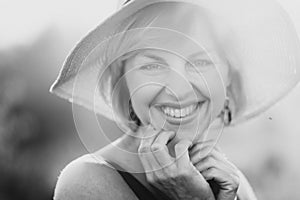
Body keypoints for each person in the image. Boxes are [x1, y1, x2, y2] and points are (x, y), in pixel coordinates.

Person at [50, 0, 300, 199]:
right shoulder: (87, 183)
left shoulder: (233, 184)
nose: (179, 90)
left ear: (228, 77)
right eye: (152, 66)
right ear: (123, 81)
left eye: (200, 62)